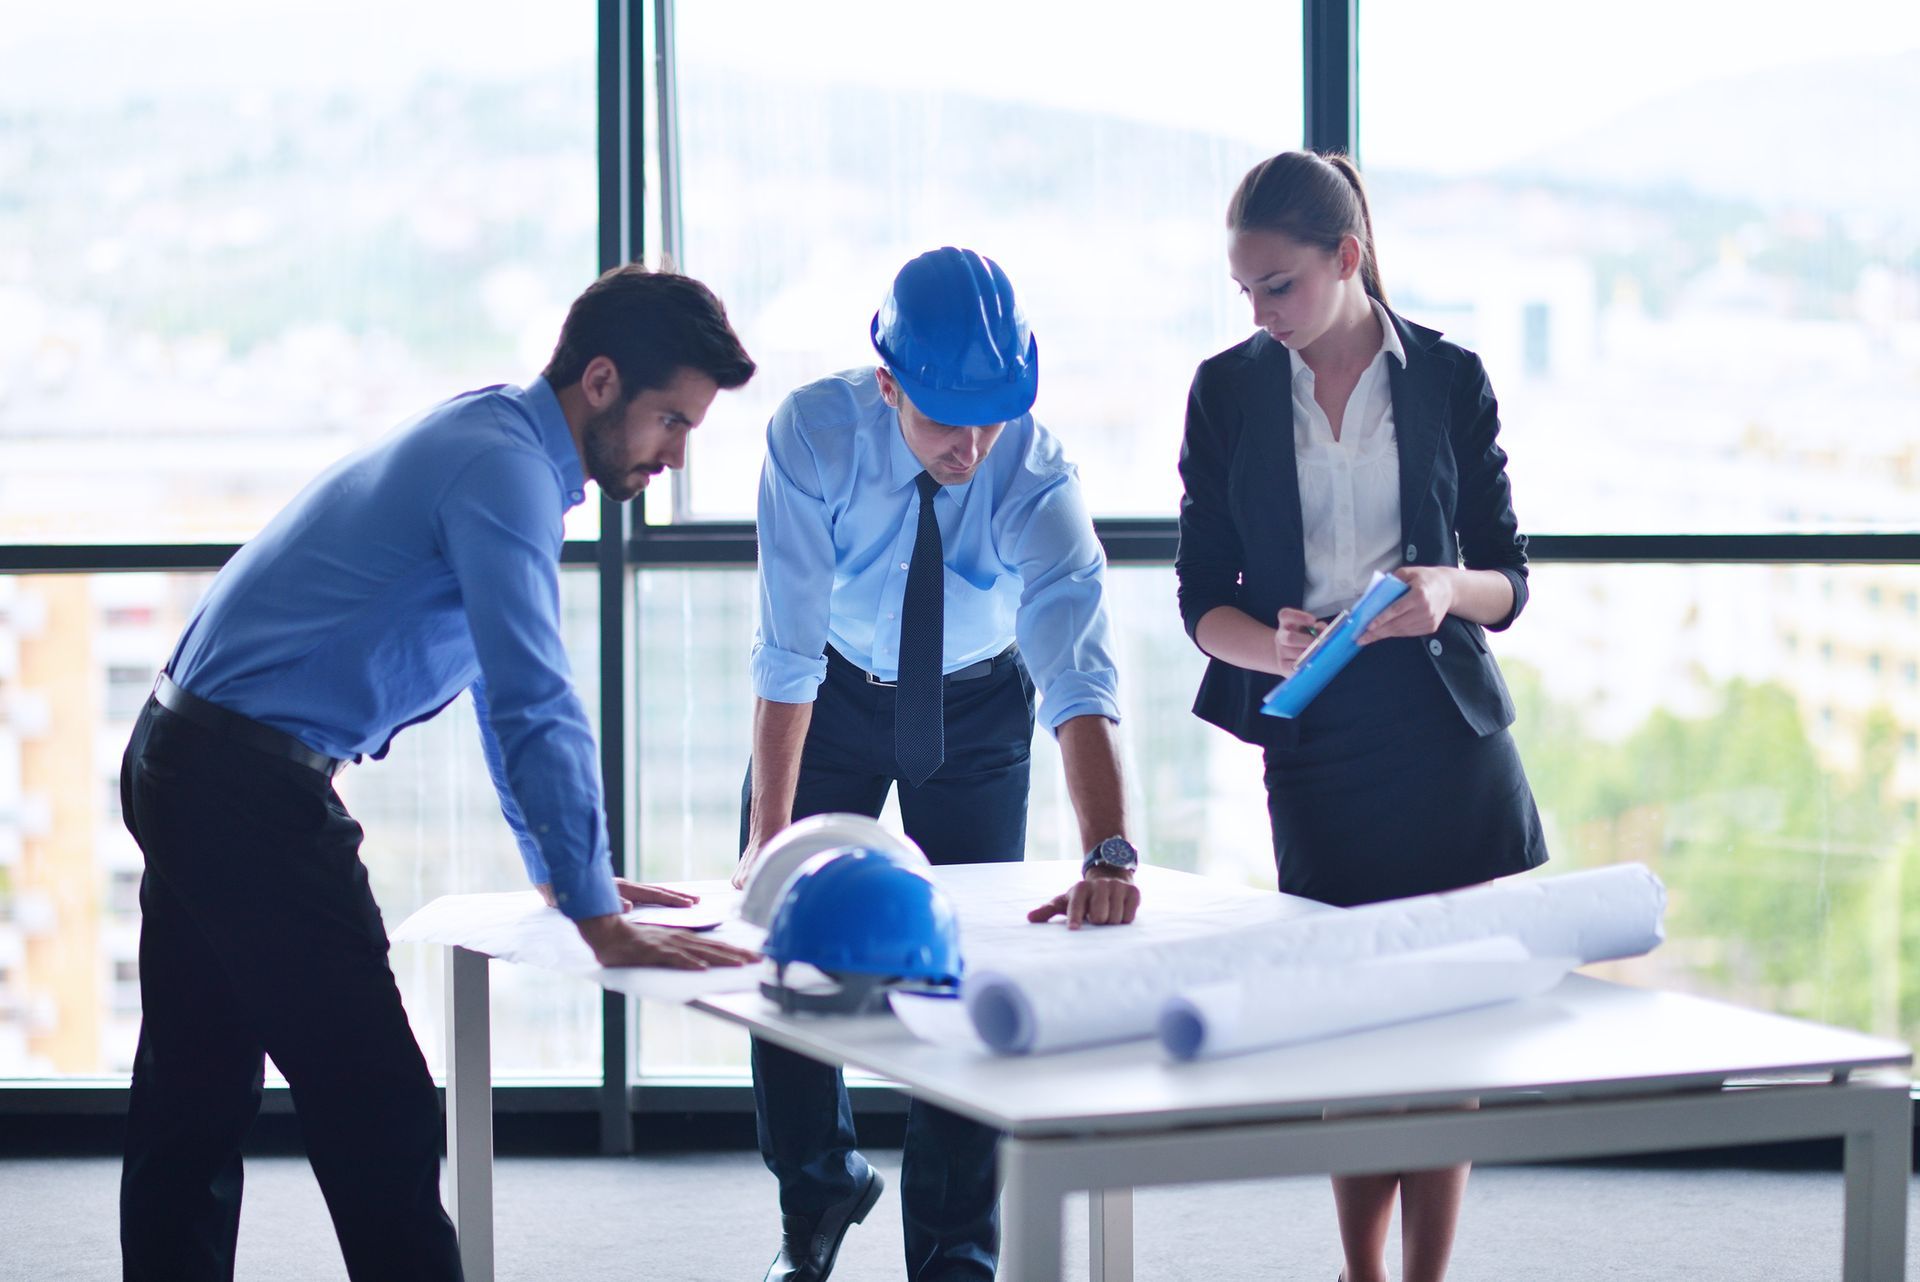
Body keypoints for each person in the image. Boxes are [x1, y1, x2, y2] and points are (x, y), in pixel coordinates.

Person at [117, 265, 761, 1282]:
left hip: (186, 754)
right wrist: (598, 915)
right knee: (378, 1107)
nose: (676, 457)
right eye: (670, 421)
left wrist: (565, 876)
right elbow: (535, 700)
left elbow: (499, 701)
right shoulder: (502, 472)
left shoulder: (494, 439)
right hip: (240, 785)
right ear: (600, 382)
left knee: (192, 1099)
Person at [1174, 151, 1549, 1282]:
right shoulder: (1228, 389)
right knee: (1349, 1024)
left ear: (1346, 259)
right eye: (1244, 289)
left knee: (1444, 1027)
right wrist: (1269, 639)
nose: (1259, 312)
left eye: (1278, 285)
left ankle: (1423, 1278)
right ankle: (1362, 1272)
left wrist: (1441, 589)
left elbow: (1509, 580)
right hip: (1320, 737)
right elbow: (1202, 600)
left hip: (1443, 730)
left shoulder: (1447, 376)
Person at [735, 245, 1144, 1282]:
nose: (970, 446)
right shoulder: (814, 435)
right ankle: (816, 1185)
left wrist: (1110, 850)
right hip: (824, 696)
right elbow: (785, 647)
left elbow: (1077, 674)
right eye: (945, 420)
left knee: (966, 967)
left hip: (975, 706)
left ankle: (957, 1248)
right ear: (887, 384)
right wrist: (764, 844)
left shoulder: (1035, 474)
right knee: (783, 943)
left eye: (991, 417)